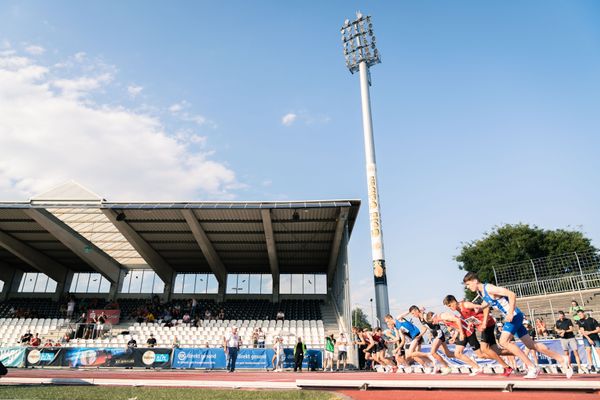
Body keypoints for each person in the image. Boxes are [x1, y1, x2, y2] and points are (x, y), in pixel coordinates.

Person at [463, 272, 572, 379]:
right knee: (531, 345)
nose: (467, 287)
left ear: (475, 281)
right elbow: (487, 302)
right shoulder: (481, 293)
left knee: (503, 341)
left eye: (468, 284)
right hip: (514, 316)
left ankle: (532, 367)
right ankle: (562, 358)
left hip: (514, 316)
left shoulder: (489, 288)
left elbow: (511, 294)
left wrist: (510, 313)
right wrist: (479, 307)